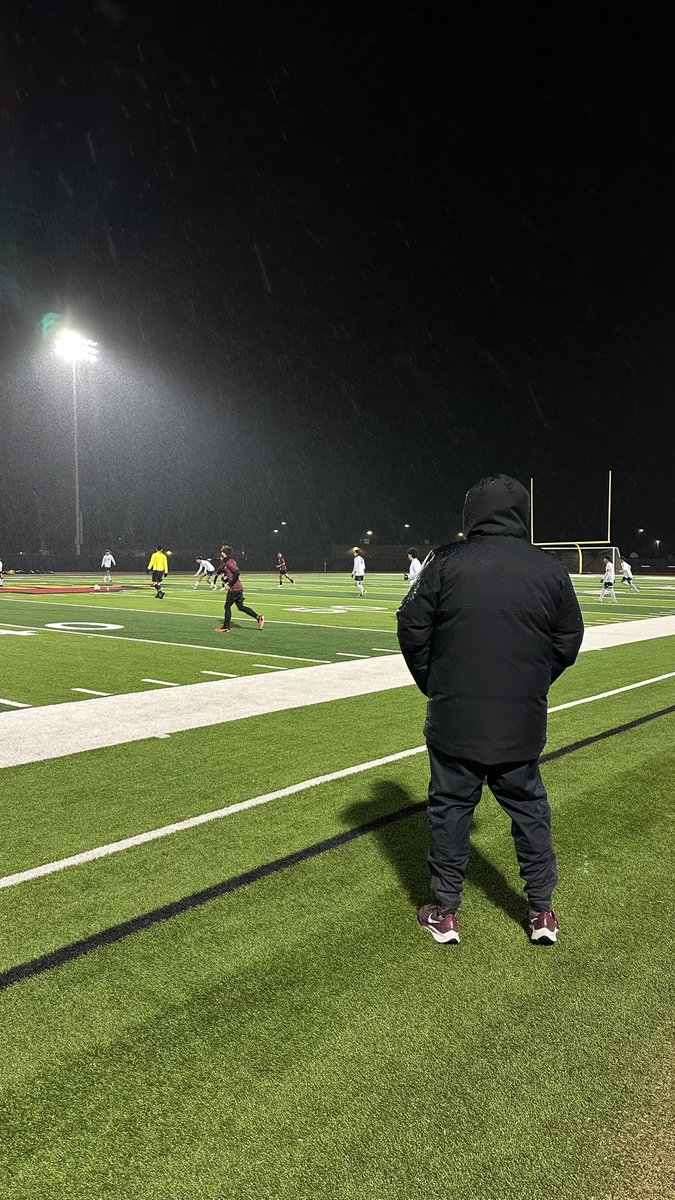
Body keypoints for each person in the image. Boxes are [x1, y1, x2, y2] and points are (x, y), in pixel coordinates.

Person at [397, 474, 583, 946]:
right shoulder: (548, 568)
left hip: (456, 718)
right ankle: (542, 912)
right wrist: (531, 683)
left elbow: (411, 627)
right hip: (519, 721)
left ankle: (446, 912)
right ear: (521, 512)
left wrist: (434, 682)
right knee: (530, 811)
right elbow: (568, 639)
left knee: (452, 811)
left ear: (472, 513)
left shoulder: (446, 561)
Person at [215, 545, 264, 633]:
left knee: (227, 606)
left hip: (235, 588)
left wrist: (229, 584)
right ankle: (258, 617)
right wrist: (218, 575)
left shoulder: (230, 562)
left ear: (223, 553)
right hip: (237, 588)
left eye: (221, 551)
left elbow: (237, 573)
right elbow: (221, 568)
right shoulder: (226, 562)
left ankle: (226, 627)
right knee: (241, 607)